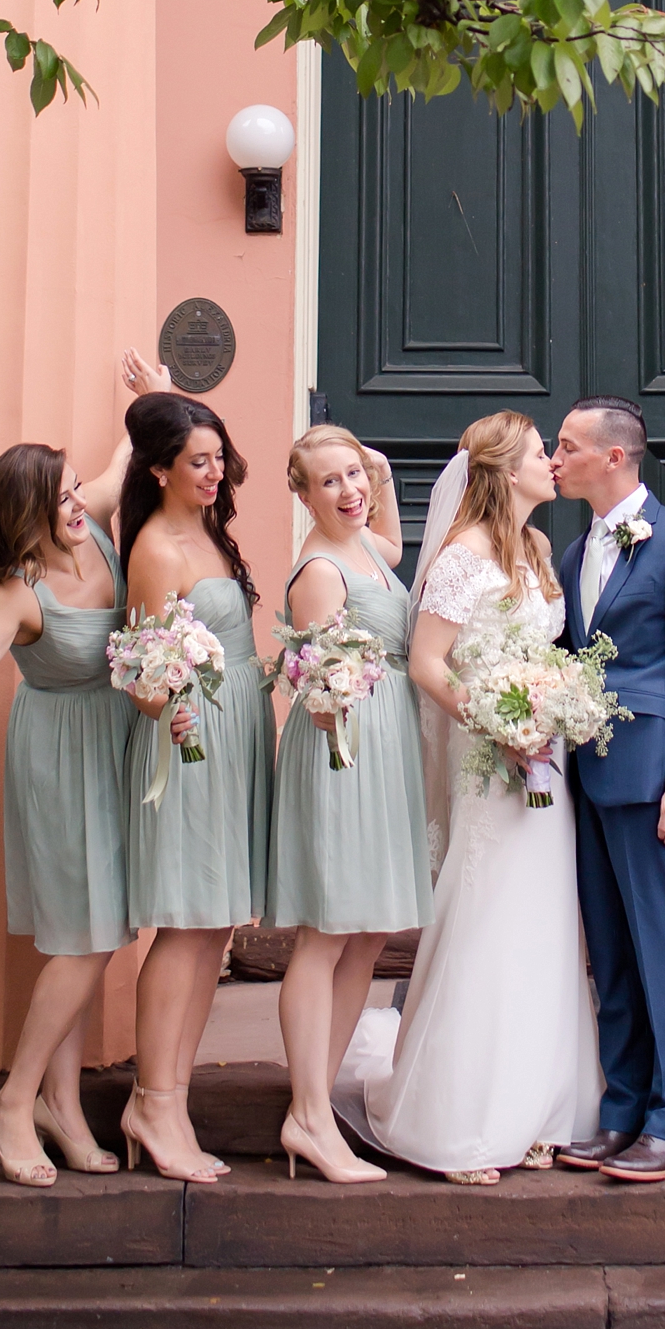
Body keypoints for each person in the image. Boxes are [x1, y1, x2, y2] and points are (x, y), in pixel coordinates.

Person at [336, 410, 603, 1180]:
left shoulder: (542, 547)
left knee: (546, 925)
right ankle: (456, 1120)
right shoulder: (461, 555)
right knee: (488, 918)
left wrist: (552, 707)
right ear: (500, 471)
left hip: (542, 761)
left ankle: (543, 1105)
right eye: (536, 453)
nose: (552, 461)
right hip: (490, 763)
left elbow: (544, 649)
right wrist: (499, 725)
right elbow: (427, 662)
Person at [0, 370, 162, 1188]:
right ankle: (14, 1100)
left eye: (72, 489)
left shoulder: (90, 524)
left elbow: (127, 452)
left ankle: (62, 1101)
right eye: (60, 496)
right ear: (27, 512)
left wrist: (152, 397)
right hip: (59, 756)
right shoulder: (16, 593)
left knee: (92, 931)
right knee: (85, 934)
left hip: (116, 739)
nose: (77, 500)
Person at [552, 395, 665, 1185]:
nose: (554, 460)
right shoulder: (570, 553)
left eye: (567, 446)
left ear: (615, 457)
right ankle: (623, 1108)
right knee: (613, 955)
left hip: (655, 777)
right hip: (586, 779)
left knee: (661, 950)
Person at [116, 386, 273, 1183]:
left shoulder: (211, 530)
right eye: (198, 462)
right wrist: (168, 706)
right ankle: (152, 1099)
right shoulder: (154, 549)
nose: (215, 474)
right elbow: (144, 675)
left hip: (239, 728)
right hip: (192, 742)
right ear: (159, 469)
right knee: (185, 926)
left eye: (218, 459)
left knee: (216, 929)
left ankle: (169, 1102)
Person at [265, 423, 430, 1184]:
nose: (349, 490)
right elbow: (315, 671)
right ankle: (304, 1114)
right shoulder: (321, 568)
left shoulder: (367, 546)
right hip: (344, 747)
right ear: (302, 495)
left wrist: (382, 473)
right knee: (329, 931)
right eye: (329, 481)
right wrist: (334, 713)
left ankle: (317, 1104)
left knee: (367, 932)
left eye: (354, 475)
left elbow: (394, 549)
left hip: (384, 739)